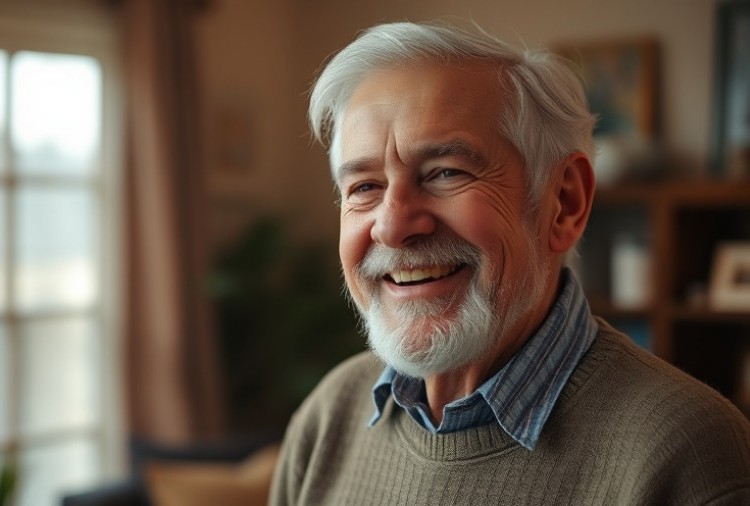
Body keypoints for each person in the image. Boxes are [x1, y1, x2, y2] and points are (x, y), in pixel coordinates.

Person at [269, 21, 750, 505]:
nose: (392, 226)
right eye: (364, 187)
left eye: (445, 173)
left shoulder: (689, 452)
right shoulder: (329, 417)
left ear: (563, 203)